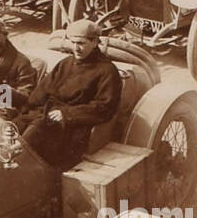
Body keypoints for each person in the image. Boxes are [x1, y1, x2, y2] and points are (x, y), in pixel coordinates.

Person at [14, 18, 122, 169]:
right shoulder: (65, 63)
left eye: (81, 43)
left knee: (34, 134)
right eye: (73, 42)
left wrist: (67, 114)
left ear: (95, 42)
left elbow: (105, 107)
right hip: (47, 114)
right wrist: (24, 110)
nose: (76, 48)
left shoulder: (107, 71)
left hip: (74, 123)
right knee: (13, 126)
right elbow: (41, 92)